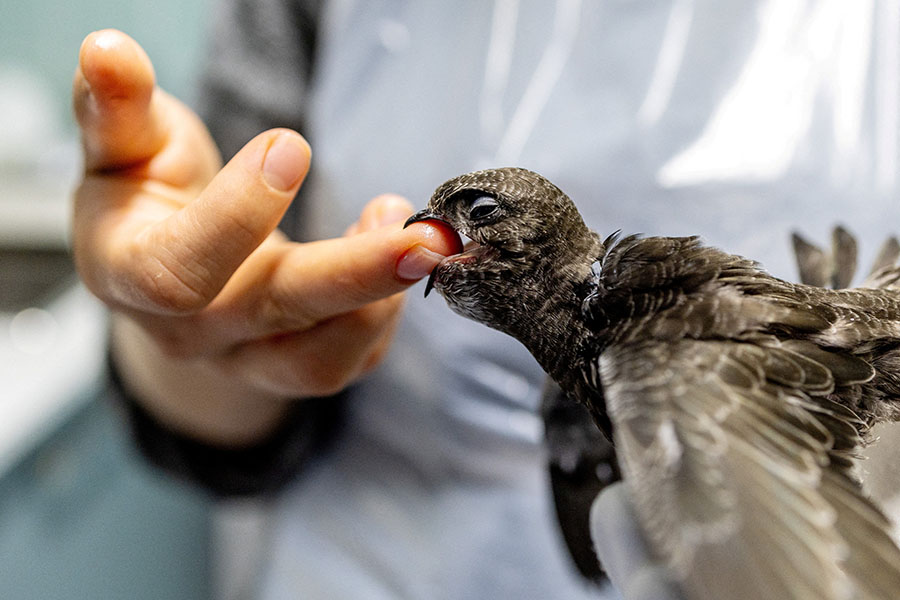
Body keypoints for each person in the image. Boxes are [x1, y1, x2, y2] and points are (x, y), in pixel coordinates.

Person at [71, 2, 900, 598]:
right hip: (386, 563)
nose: (435, 236)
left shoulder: (655, 353)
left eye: (476, 217)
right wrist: (195, 322)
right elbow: (204, 399)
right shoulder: (585, 334)